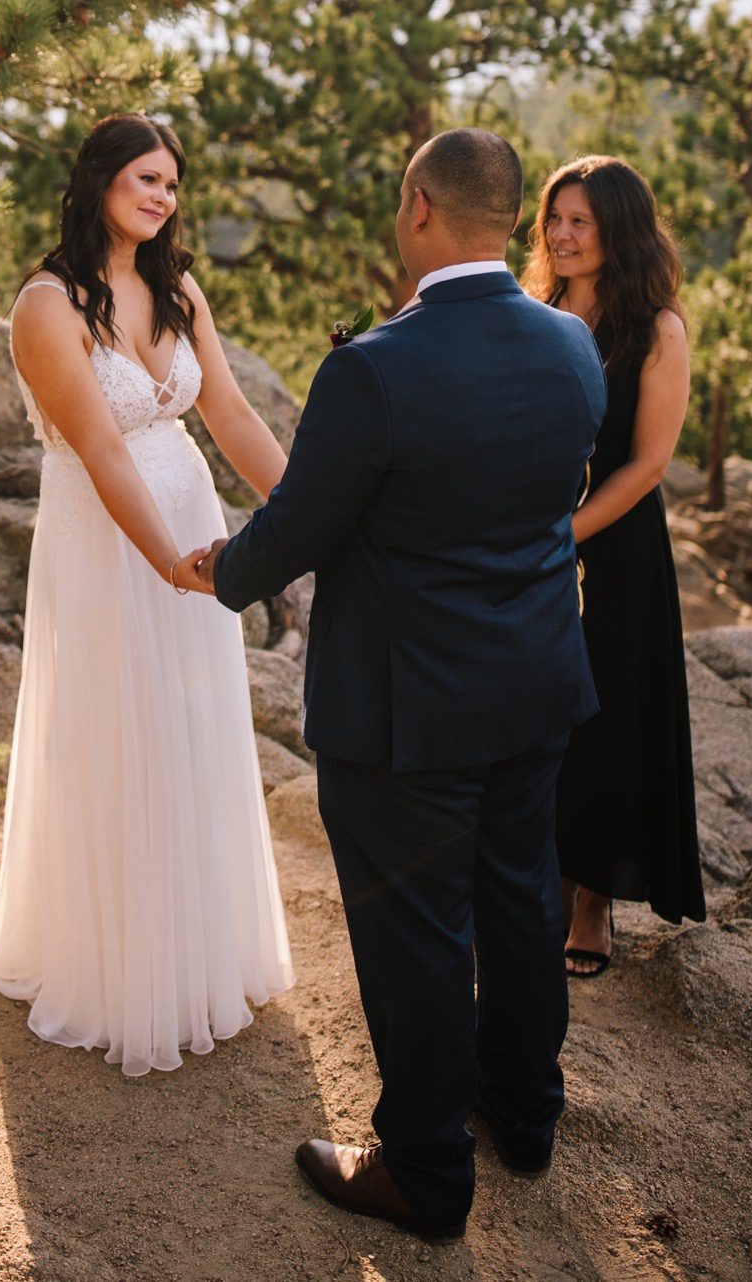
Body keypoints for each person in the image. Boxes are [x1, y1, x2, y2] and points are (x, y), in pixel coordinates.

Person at [189, 129, 605, 1241]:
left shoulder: (376, 365)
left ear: (419, 207)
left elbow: (303, 527)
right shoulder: (571, 346)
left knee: (419, 935)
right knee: (522, 905)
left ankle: (424, 1170)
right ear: (513, 220)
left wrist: (219, 570)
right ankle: (523, 1115)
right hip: (534, 689)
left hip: (407, 710)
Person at [0, 113, 294, 1077]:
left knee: (189, 729)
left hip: (191, 514)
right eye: (146, 178)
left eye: (172, 184)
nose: (162, 197)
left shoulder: (179, 286)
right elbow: (101, 446)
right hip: (107, 540)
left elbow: (226, 412)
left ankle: (198, 943)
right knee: (116, 730)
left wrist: (309, 512)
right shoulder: (46, 305)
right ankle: (110, 964)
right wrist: (165, 562)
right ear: (100, 179)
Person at [523, 154, 706, 973]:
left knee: (609, 717)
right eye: (553, 219)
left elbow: (650, 463)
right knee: (542, 719)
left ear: (617, 232)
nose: (560, 235)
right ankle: (543, 884)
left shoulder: (657, 329)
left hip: (618, 546)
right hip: (533, 542)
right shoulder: (536, 308)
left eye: (580, 222)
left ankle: (593, 901)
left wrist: (568, 534)